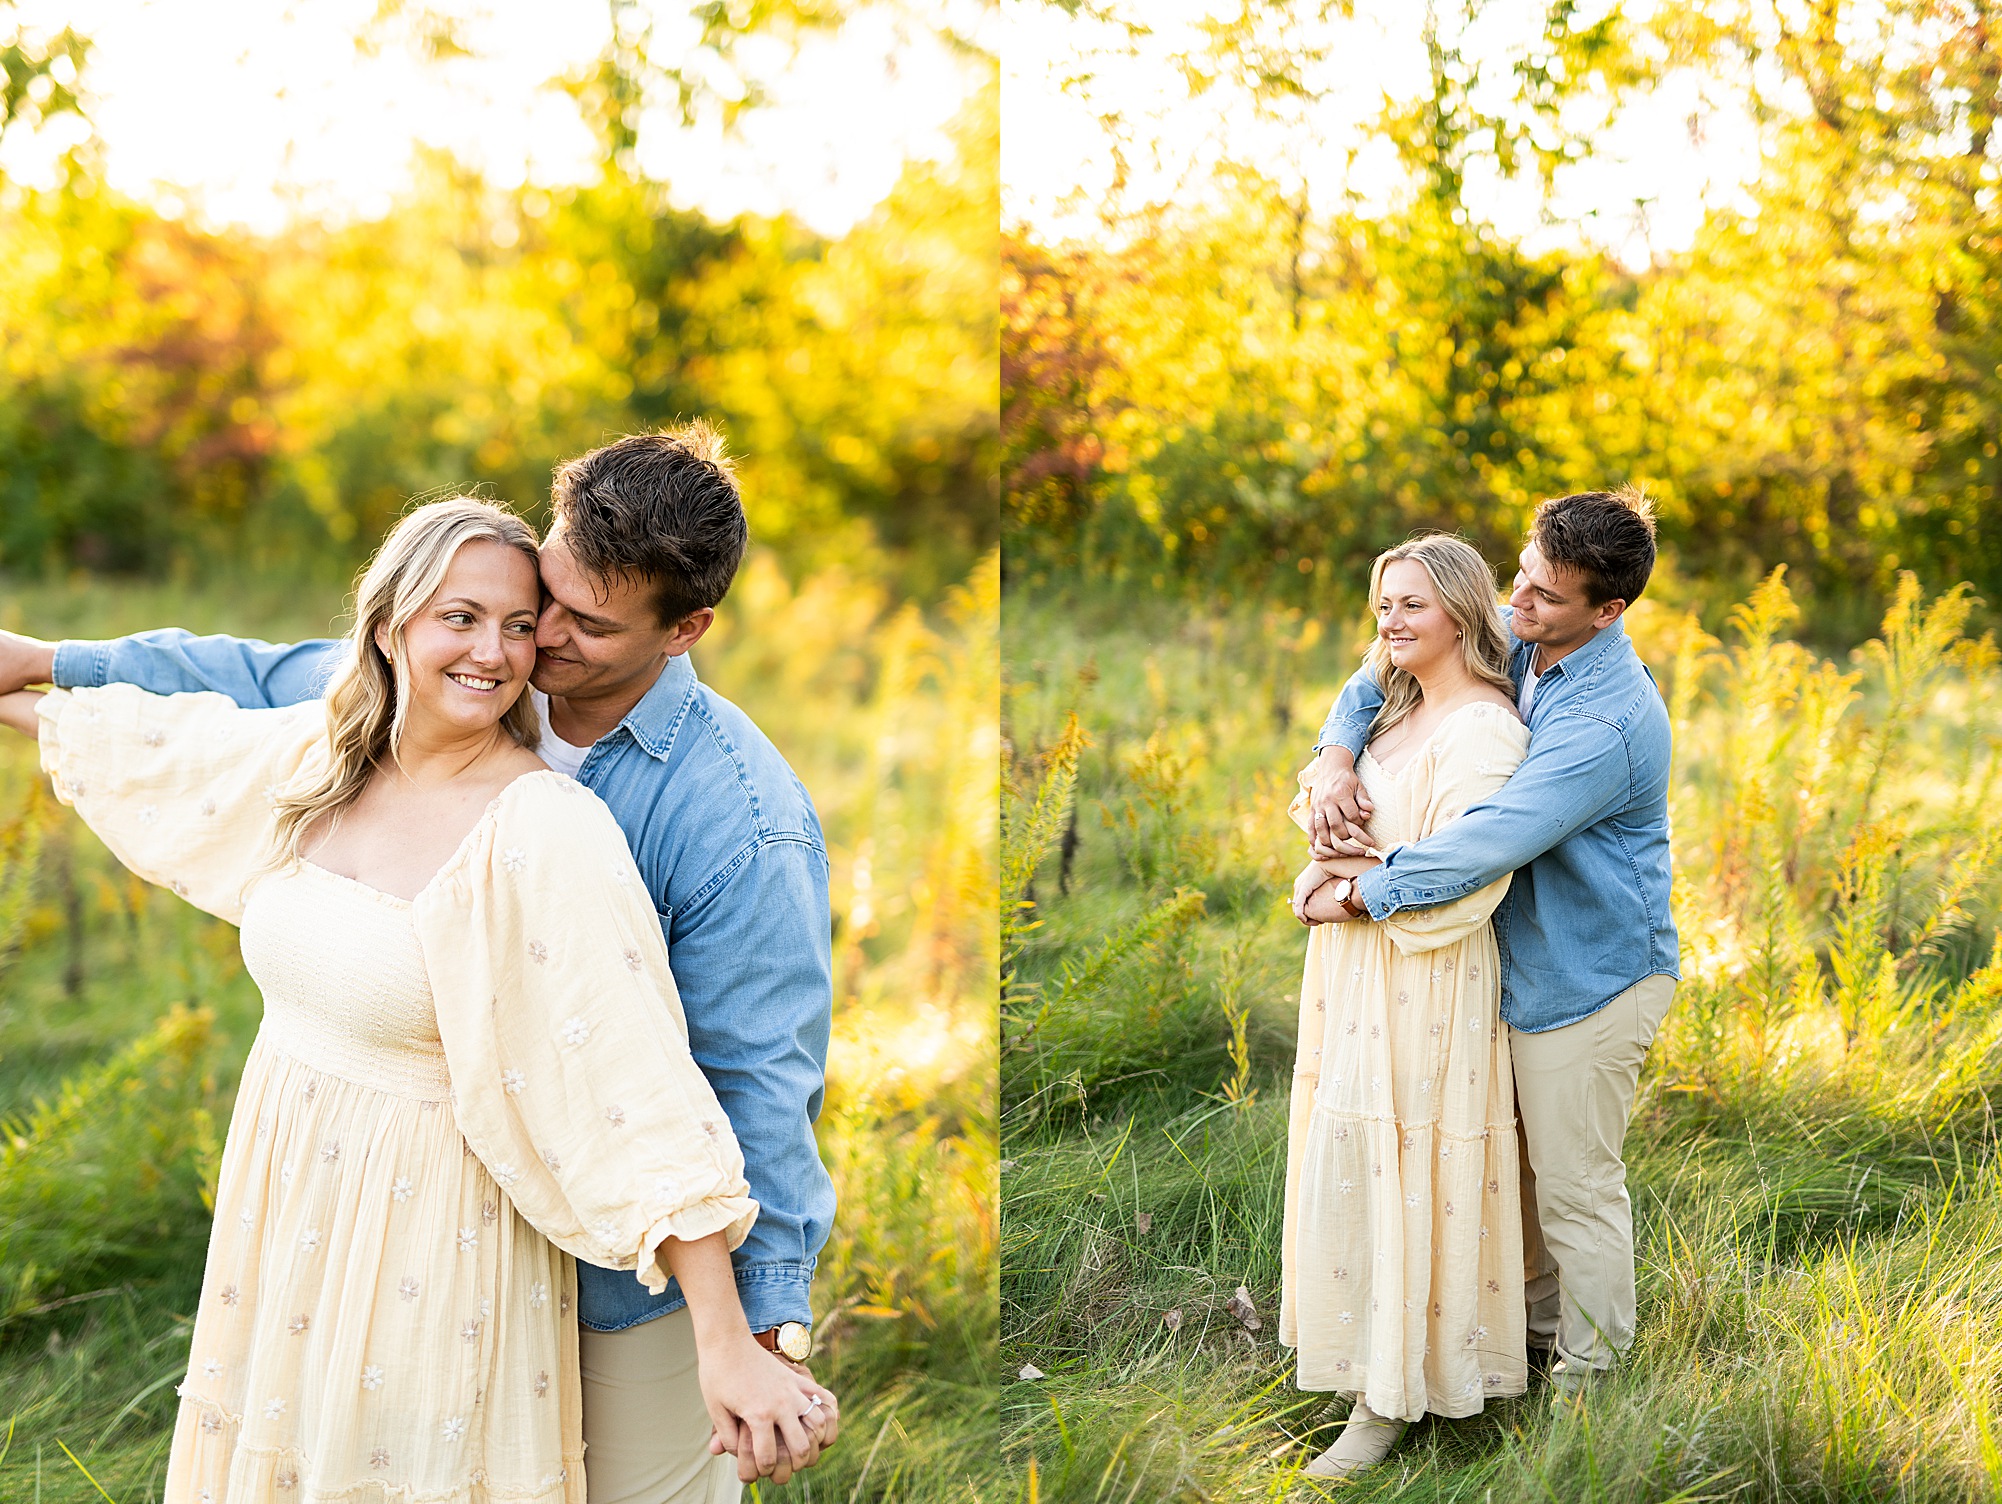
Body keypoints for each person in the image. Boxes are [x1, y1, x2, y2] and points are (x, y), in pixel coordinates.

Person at [0, 424, 841, 1503]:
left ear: (685, 631)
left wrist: (759, 1332)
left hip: (623, 1271)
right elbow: (248, 686)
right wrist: (45, 663)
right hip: (342, 1221)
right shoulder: (416, 707)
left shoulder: (737, 820)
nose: (532, 645)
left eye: (576, 624)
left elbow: (747, 1078)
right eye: (537, 600)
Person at [1302, 487, 1679, 1423]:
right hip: (1498, 966)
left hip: (1587, 976)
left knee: (1574, 1190)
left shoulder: (1605, 723)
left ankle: (1588, 1399)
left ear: (1608, 610)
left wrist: (1358, 895)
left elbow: (1489, 841)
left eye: (1545, 596)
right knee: (1510, 1178)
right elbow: (1375, 676)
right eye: (1521, 575)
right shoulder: (1527, 635)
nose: (1517, 602)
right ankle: (1531, 1345)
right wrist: (1335, 754)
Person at [1280, 533, 1531, 1478]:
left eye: (1412, 604)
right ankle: (1360, 1358)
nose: (1390, 620)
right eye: (1383, 603)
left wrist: (1348, 883)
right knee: (1352, 1154)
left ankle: (1390, 1400)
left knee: (1409, 1166)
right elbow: (1332, 823)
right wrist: (1329, 838)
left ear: (1462, 612)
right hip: (1353, 975)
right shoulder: (1390, 713)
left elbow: (1468, 883)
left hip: (1424, 982)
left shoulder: (1484, 730)